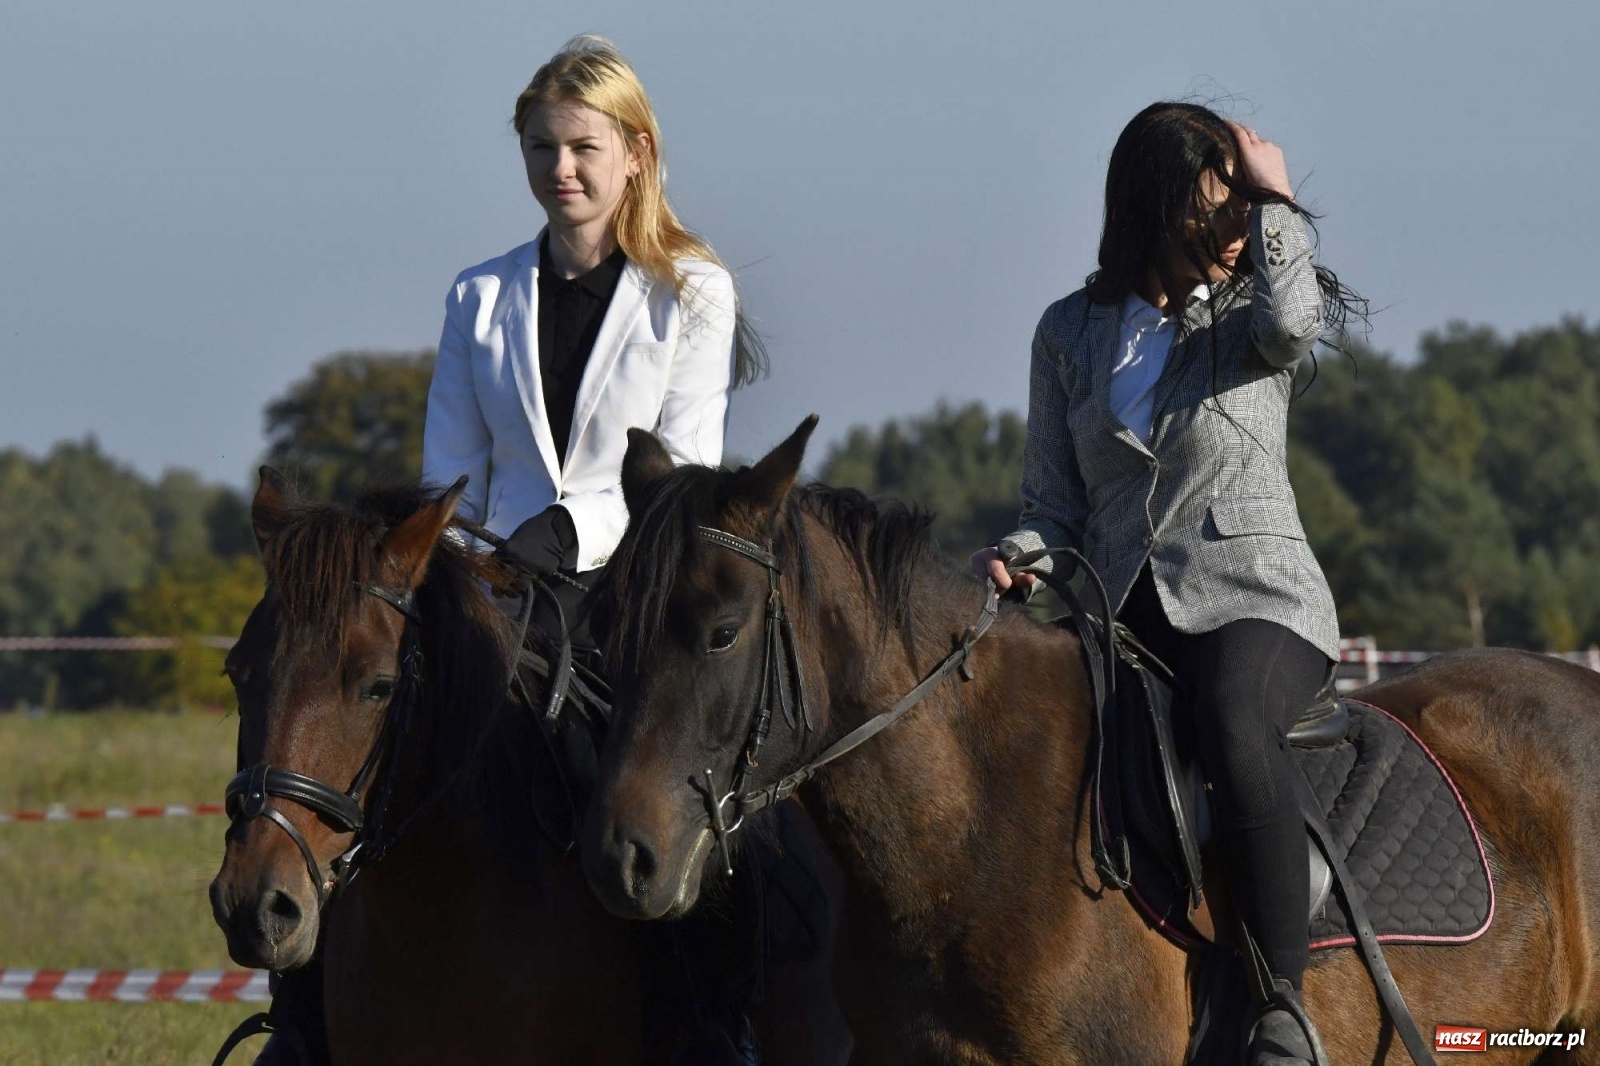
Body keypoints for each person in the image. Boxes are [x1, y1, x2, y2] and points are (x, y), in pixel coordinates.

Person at [249, 35, 760, 1066]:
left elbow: (683, 475)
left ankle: (711, 1023)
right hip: (489, 588)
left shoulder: (694, 291)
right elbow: (453, 479)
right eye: (538, 148)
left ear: (636, 153)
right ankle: (301, 1028)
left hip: (626, 601)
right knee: (353, 766)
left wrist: (566, 543)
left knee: (667, 800)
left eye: (580, 148)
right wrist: (482, 575)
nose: (558, 171)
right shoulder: (476, 298)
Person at [970, 101, 1362, 1066]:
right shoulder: (1067, 333)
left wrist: (1275, 199)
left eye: (1240, 211)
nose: (1231, 229)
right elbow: (1051, 505)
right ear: (1157, 202)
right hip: (1119, 612)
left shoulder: (1252, 308)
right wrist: (1018, 557)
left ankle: (1282, 1010)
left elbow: (1296, 320)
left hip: (1256, 600)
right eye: (1217, 205)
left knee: (1232, 717)